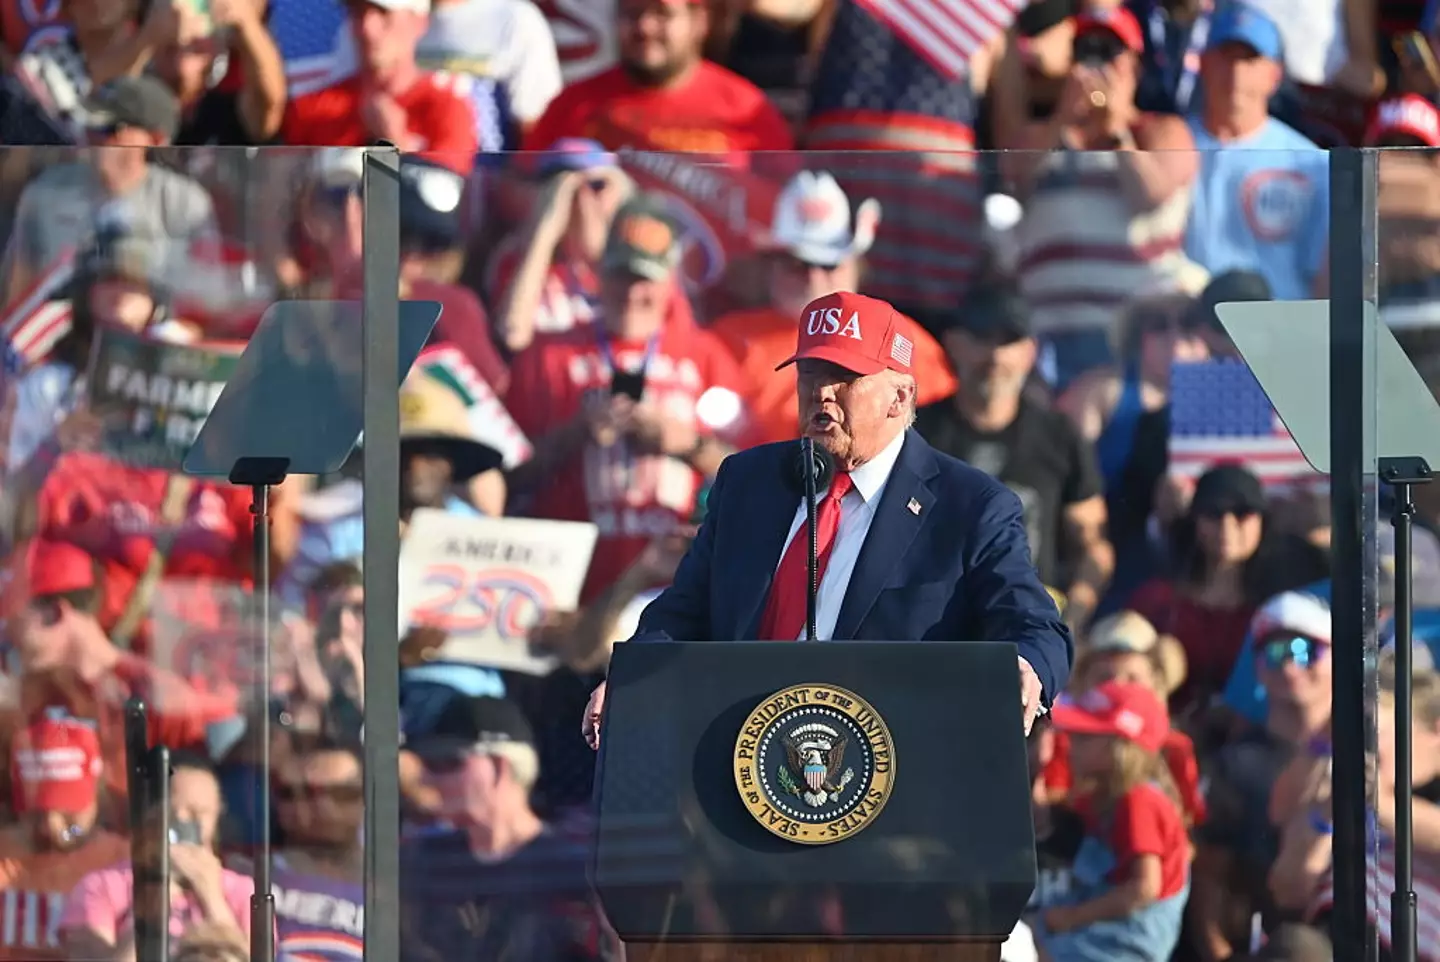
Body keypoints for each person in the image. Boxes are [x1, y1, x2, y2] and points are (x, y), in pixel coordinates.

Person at [582, 291, 1073, 746]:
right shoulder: (748, 483)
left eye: (845, 377)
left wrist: (1026, 668)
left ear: (900, 397)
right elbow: (684, 612)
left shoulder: (971, 507)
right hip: (737, 755)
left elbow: (1035, 628)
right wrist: (634, 675)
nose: (822, 393)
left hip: (892, 771)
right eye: (810, 374)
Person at [1034, 680, 1191, 962]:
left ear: (1120, 747)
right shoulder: (1105, 796)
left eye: (1084, 738)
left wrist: (1073, 917)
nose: (1070, 745)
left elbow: (1144, 887)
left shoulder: (1139, 800)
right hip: (1099, 927)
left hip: (1125, 940)